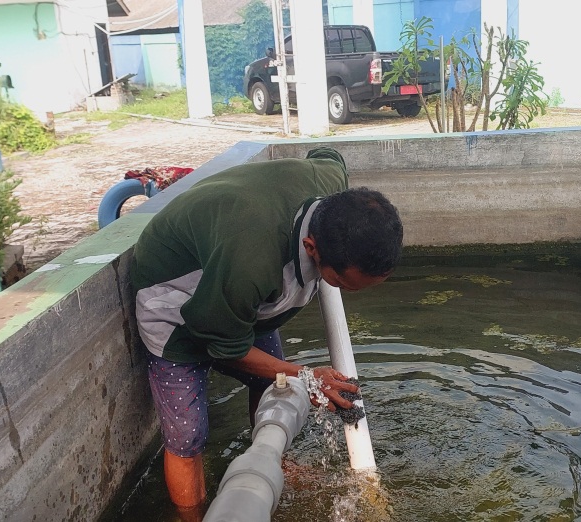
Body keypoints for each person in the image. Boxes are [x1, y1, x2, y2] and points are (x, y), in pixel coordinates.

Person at [130, 146, 403, 521]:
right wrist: (308, 377)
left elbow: (328, 153)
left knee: (270, 382)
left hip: (236, 290)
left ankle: (272, 460)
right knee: (188, 435)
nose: (348, 293)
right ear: (311, 247)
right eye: (342, 284)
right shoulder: (253, 261)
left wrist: (293, 375)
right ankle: (192, 514)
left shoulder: (333, 188)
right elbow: (224, 346)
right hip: (174, 300)